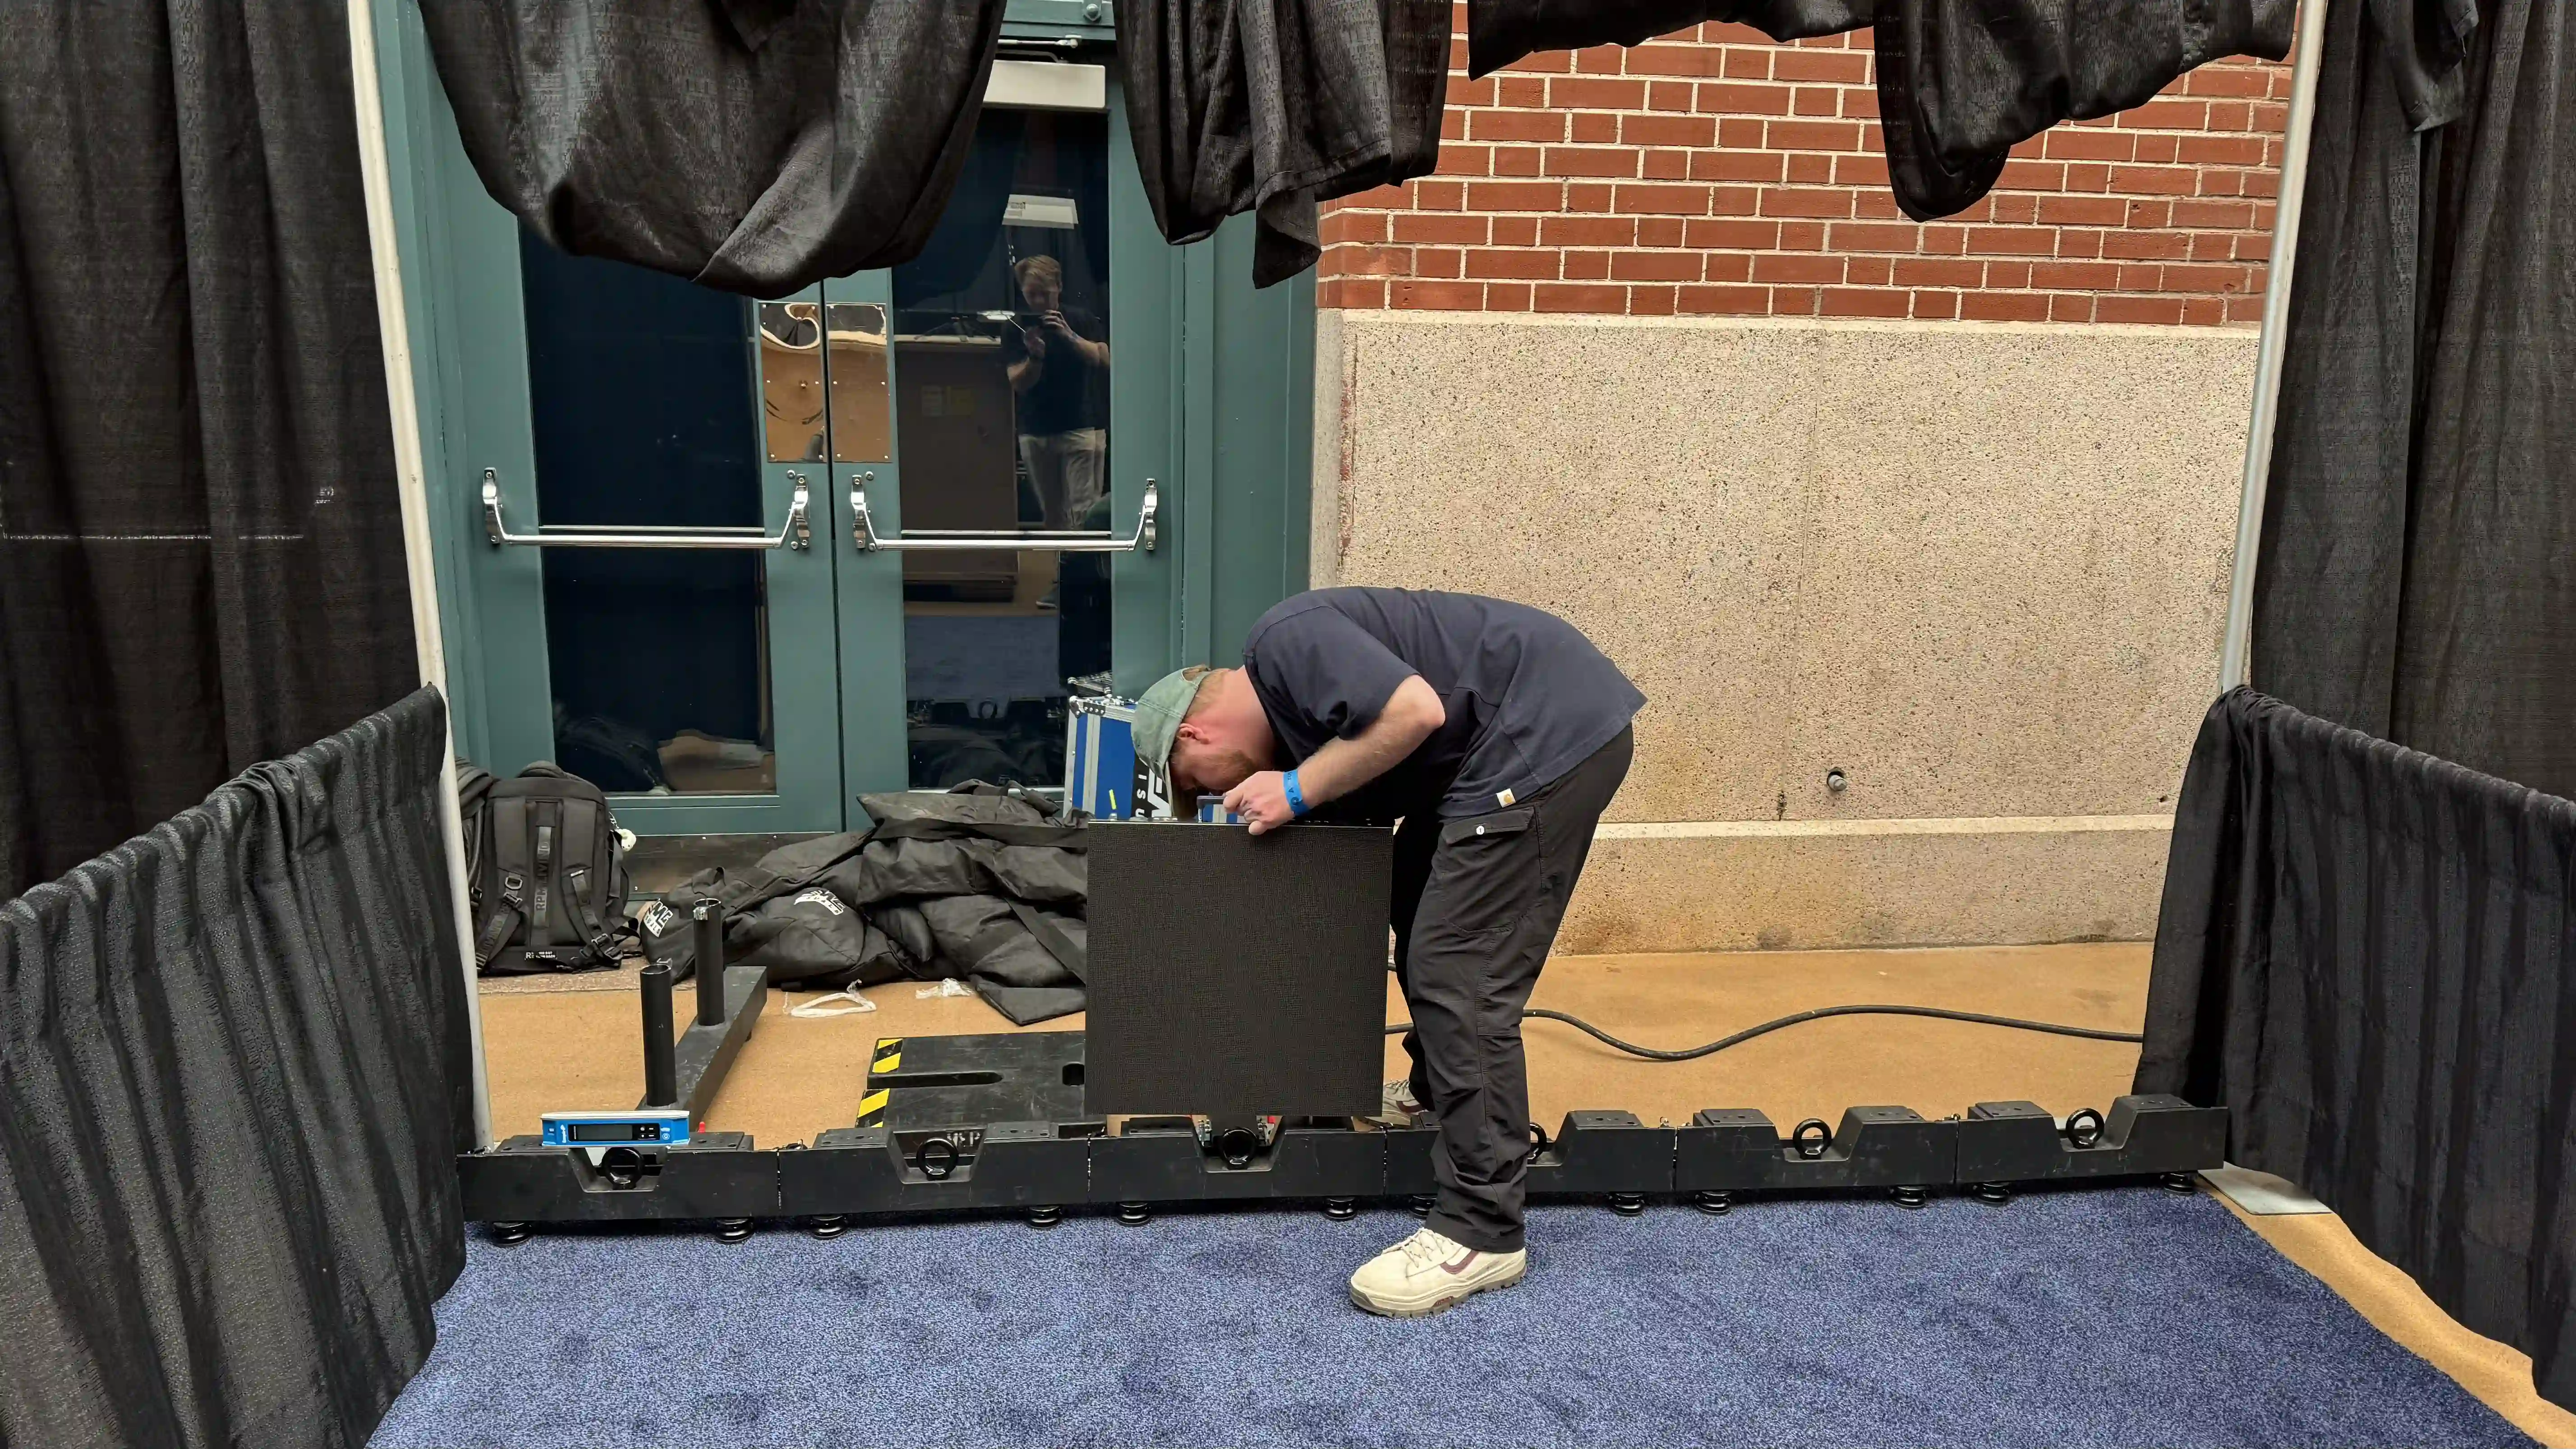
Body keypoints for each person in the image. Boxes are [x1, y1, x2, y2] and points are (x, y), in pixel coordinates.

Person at [1130, 587, 1643, 1317]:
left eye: (1200, 790)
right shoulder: (1305, 728)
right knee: (1409, 894)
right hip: (1493, 750)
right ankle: (1440, 1097)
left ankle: (1482, 1225)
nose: (1221, 797)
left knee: (1457, 969)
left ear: (1196, 741)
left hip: (1540, 732)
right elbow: (1344, 895)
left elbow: (1416, 713)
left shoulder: (1281, 642)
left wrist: (1295, 790)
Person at [999, 253, 1109, 532]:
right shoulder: (1015, 326)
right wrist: (1035, 357)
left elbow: (1103, 358)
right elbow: (1018, 382)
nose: (1037, 302)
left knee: (1084, 514)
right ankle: (1061, 572)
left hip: (1081, 427)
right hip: (1037, 430)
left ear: (1059, 287)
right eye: (1031, 295)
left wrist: (1068, 335)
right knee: (1052, 516)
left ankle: (1085, 573)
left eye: (1044, 294)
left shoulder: (1080, 319)